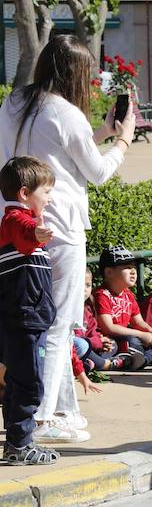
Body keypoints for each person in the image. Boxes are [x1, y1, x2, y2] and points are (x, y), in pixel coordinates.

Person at [0, 35, 135, 445]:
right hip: (60, 227)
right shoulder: (66, 112)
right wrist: (123, 140)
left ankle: (53, 409)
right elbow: (95, 173)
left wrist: (100, 133)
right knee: (57, 323)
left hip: (14, 224)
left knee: (29, 323)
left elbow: (48, 158)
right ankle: (42, 416)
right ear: (77, 73)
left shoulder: (15, 104)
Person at [1, 156, 60, 464]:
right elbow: (25, 233)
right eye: (46, 192)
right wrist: (38, 234)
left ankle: (17, 440)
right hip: (25, 316)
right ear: (25, 194)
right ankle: (20, 444)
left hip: (27, 314)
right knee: (29, 381)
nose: (49, 199)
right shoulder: (17, 220)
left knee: (18, 379)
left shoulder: (17, 220)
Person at [95, 247, 152, 373]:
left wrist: (151, 332)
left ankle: (144, 358)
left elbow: (138, 322)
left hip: (128, 337)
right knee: (125, 342)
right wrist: (141, 334)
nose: (133, 272)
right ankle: (150, 355)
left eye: (134, 267)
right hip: (110, 339)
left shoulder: (128, 295)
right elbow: (108, 328)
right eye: (127, 267)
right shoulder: (101, 295)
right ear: (109, 272)